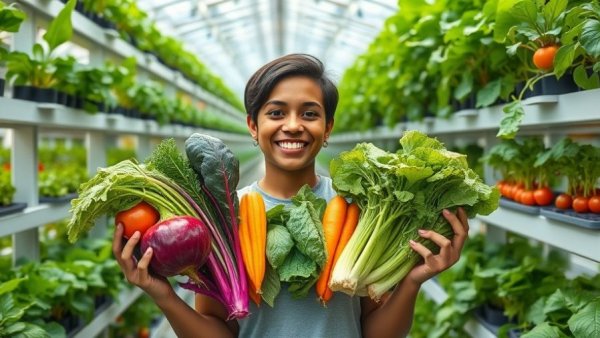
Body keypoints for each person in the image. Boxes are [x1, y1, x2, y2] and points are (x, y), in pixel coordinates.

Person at [112, 53, 470, 338]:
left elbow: (376, 331)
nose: (294, 125)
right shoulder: (220, 220)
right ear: (254, 126)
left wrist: (412, 280)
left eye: (310, 113)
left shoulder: (362, 210)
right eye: (276, 112)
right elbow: (220, 329)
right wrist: (162, 295)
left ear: (327, 128)